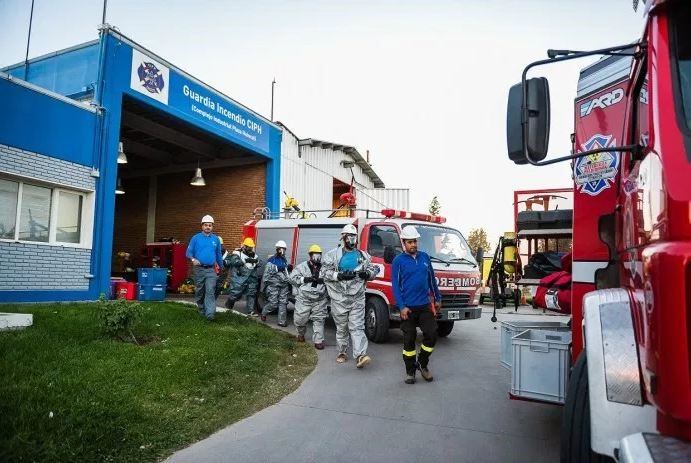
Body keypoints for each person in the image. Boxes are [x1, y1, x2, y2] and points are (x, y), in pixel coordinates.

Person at [322, 223, 378, 368]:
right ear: (343, 237)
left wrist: (369, 273)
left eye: (354, 237)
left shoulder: (363, 256)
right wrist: (338, 275)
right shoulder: (333, 255)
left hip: (357, 297)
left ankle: (360, 355)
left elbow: (373, 270)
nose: (352, 240)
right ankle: (342, 351)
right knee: (342, 327)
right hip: (339, 298)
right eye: (349, 237)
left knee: (357, 327)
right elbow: (324, 273)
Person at [392, 225, 442, 384]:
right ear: (403, 243)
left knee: (432, 334)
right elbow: (396, 285)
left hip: (424, 306)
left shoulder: (425, 257)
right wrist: (401, 307)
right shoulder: (398, 261)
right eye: (410, 242)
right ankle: (410, 371)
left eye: (415, 241)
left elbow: (431, 280)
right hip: (408, 308)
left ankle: (422, 363)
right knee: (409, 339)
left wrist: (437, 298)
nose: (413, 244)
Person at [186, 215, 224, 321]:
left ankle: (210, 314)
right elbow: (188, 252)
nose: (208, 227)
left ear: (212, 227)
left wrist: (221, 268)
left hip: (211, 270)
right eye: (206, 225)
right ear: (202, 226)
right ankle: (201, 309)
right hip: (199, 269)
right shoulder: (195, 238)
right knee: (200, 291)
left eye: (210, 225)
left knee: (210, 290)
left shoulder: (216, 239)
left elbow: (218, 255)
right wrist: (193, 259)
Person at [290, 244, 328, 349]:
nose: (317, 258)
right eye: (315, 255)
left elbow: (331, 279)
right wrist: (305, 279)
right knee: (300, 320)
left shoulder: (325, 268)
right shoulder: (302, 266)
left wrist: (324, 281)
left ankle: (318, 341)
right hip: (304, 298)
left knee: (319, 319)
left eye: (319, 255)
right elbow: (292, 278)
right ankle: (300, 334)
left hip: (320, 299)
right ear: (310, 256)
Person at [225, 237, 261, 316]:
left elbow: (259, 263)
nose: (250, 249)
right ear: (244, 246)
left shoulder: (254, 256)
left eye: (251, 247)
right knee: (235, 294)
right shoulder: (237, 253)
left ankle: (250, 311)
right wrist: (246, 260)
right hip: (239, 278)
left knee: (251, 294)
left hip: (251, 278)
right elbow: (234, 262)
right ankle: (228, 307)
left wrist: (256, 262)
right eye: (248, 247)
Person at [261, 240, 293, 326]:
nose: (282, 251)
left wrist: (288, 269)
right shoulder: (272, 260)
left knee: (283, 303)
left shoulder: (284, 260)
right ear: (277, 249)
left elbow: (286, 272)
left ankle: (282, 322)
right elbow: (267, 274)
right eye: (280, 249)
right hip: (274, 285)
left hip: (284, 285)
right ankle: (264, 313)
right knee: (273, 303)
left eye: (284, 249)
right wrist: (278, 268)